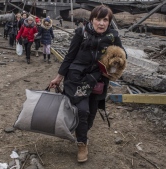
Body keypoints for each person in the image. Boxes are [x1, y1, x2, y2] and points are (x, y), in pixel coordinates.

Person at [49, 5, 126, 163]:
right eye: (98, 19)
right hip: (77, 79)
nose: (101, 23)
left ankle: (81, 131)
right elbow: (69, 56)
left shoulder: (113, 36)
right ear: (92, 19)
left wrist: (111, 70)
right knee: (82, 111)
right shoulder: (81, 33)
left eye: (105, 20)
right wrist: (59, 77)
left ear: (109, 22)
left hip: (98, 80)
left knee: (91, 114)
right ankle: (82, 144)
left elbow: (123, 56)